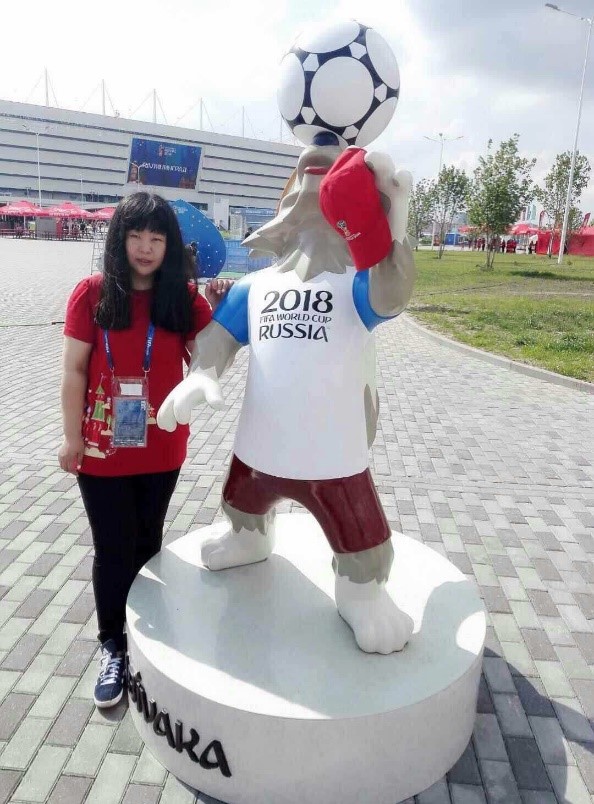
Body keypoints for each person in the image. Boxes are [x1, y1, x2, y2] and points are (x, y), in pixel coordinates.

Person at [58, 192, 231, 709]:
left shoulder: (182, 298)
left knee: (148, 542)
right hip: (101, 449)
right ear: (120, 239)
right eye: (136, 235)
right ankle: (113, 643)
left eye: (157, 237)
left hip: (161, 446)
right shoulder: (91, 294)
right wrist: (70, 437)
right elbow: (73, 370)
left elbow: (209, 364)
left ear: (170, 244)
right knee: (113, 548)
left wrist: (219, 312)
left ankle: (146, 635)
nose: (145, 247)